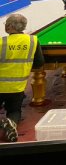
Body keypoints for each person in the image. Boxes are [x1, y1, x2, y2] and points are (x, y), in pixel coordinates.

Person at [0, 14, 44, 142]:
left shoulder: (2, 42)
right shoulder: (33, 40)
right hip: (17, 87)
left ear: (9, 27)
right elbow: (39, 63)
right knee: (14, 111)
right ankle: (11, 123)